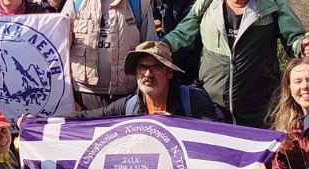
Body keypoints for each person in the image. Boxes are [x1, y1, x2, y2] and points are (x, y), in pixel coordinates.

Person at [162, 0, 309, 128]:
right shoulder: (207, 3)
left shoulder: (270, 4)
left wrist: (303, 46)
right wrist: (162, 46)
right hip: (212, 109)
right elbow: (181, 34)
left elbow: (293, 37)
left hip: (260, 111)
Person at [67, 0, 155, 111]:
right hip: (83, 96)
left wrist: (146, 95)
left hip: (127, 97)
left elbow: (150, 52)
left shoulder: (140, 1)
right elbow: (61, 49)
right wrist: (67, 95)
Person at [80, 40, 225, 120]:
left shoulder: (194, 100)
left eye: (156, 67)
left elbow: (213, 137)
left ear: (169, 73)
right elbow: (90, 117)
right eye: (142, 67)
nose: (148, 74)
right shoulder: (129, 106)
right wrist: (58, 121)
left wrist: (180, 124)